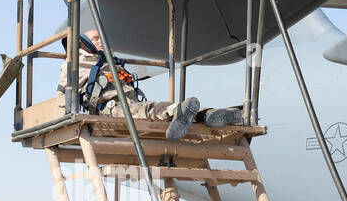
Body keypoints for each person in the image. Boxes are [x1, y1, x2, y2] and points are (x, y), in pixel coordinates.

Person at [58, 28, 243, 139]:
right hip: (110, 108)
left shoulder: (110, 60)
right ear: (83, 44)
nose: (100, 41)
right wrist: (61, 118)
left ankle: (207, 115)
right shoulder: (75, 63)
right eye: (95, 39)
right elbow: (62, 94)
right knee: (149, 110)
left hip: (130, 104)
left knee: (151, 108)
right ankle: (183, 112)